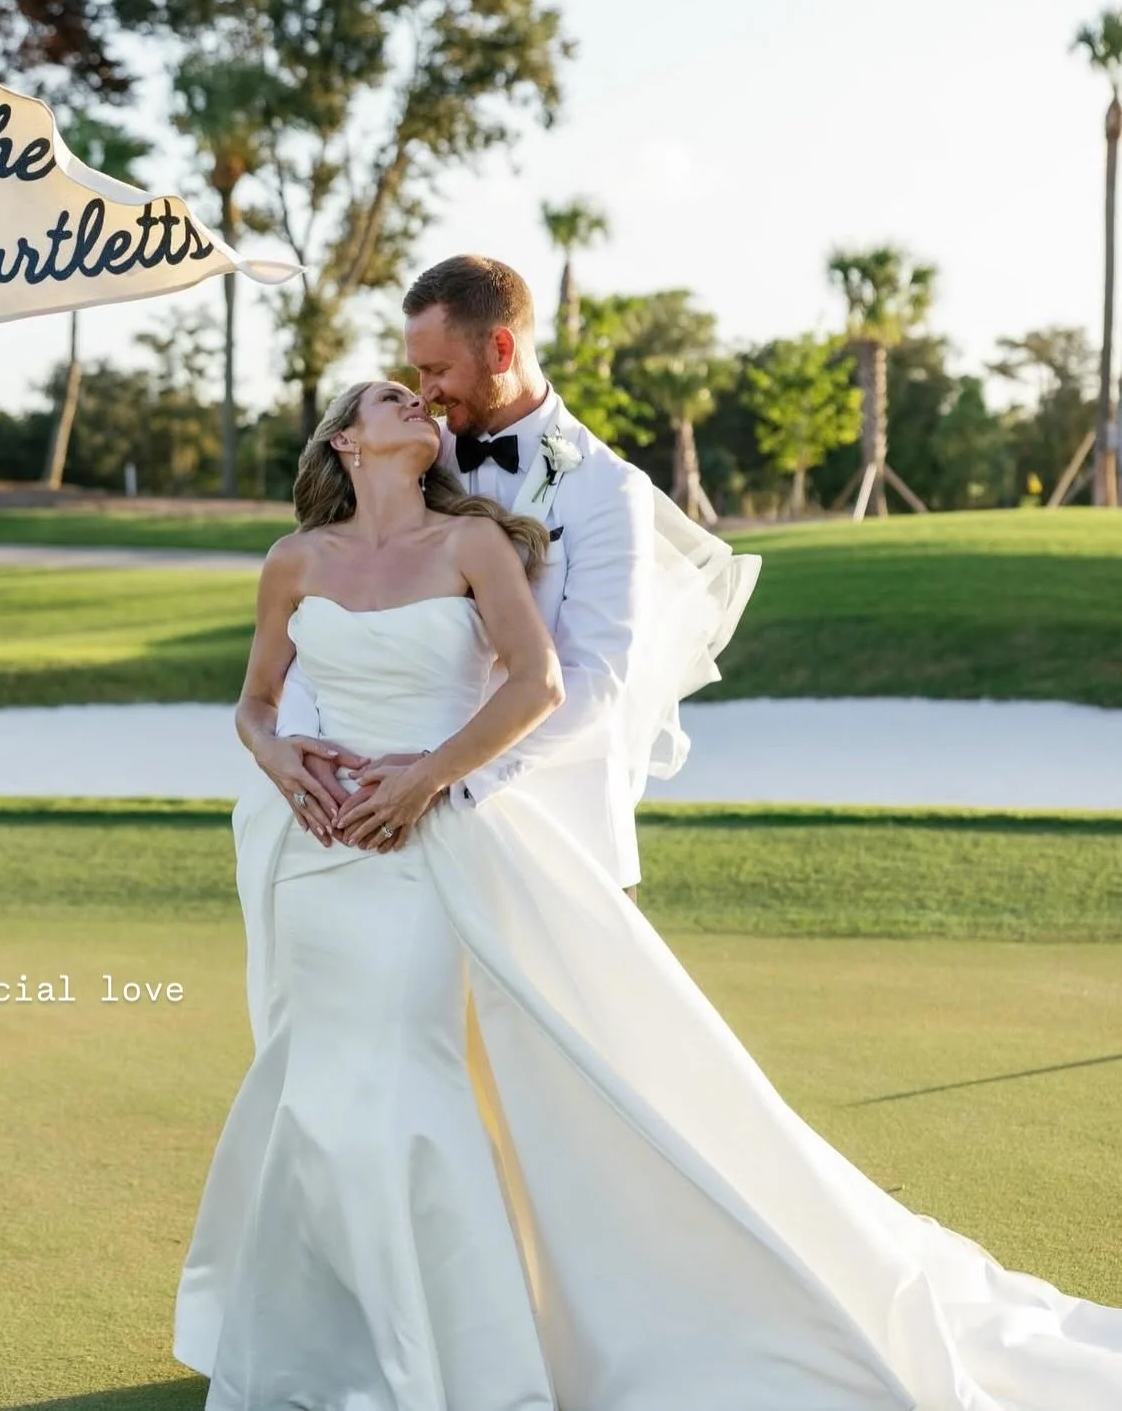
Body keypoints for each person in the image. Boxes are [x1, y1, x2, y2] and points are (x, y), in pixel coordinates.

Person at [173, 377, 1122, 1411]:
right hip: (318, 853)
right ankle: (324, 1348)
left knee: (408, 1072)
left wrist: (428, 774)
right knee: (319, 1076)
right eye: (393, 396)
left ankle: (449, 1364)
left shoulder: (475, 545)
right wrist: (283, 759)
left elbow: (539, 686)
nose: (421, 403)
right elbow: (256, 702)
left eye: (425, 394)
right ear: (346, 440)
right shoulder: (295, 560)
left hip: (425, 841)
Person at [260, 254, 761, 896]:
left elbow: (597, 680)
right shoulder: (407, 452)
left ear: (500, 348)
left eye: (438, 369)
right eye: (417, 372)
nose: (426, 391)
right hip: (394, 833)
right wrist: (310, 754)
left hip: (560, 838)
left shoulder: (608, 489)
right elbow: (325, 622)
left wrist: (446, 775)